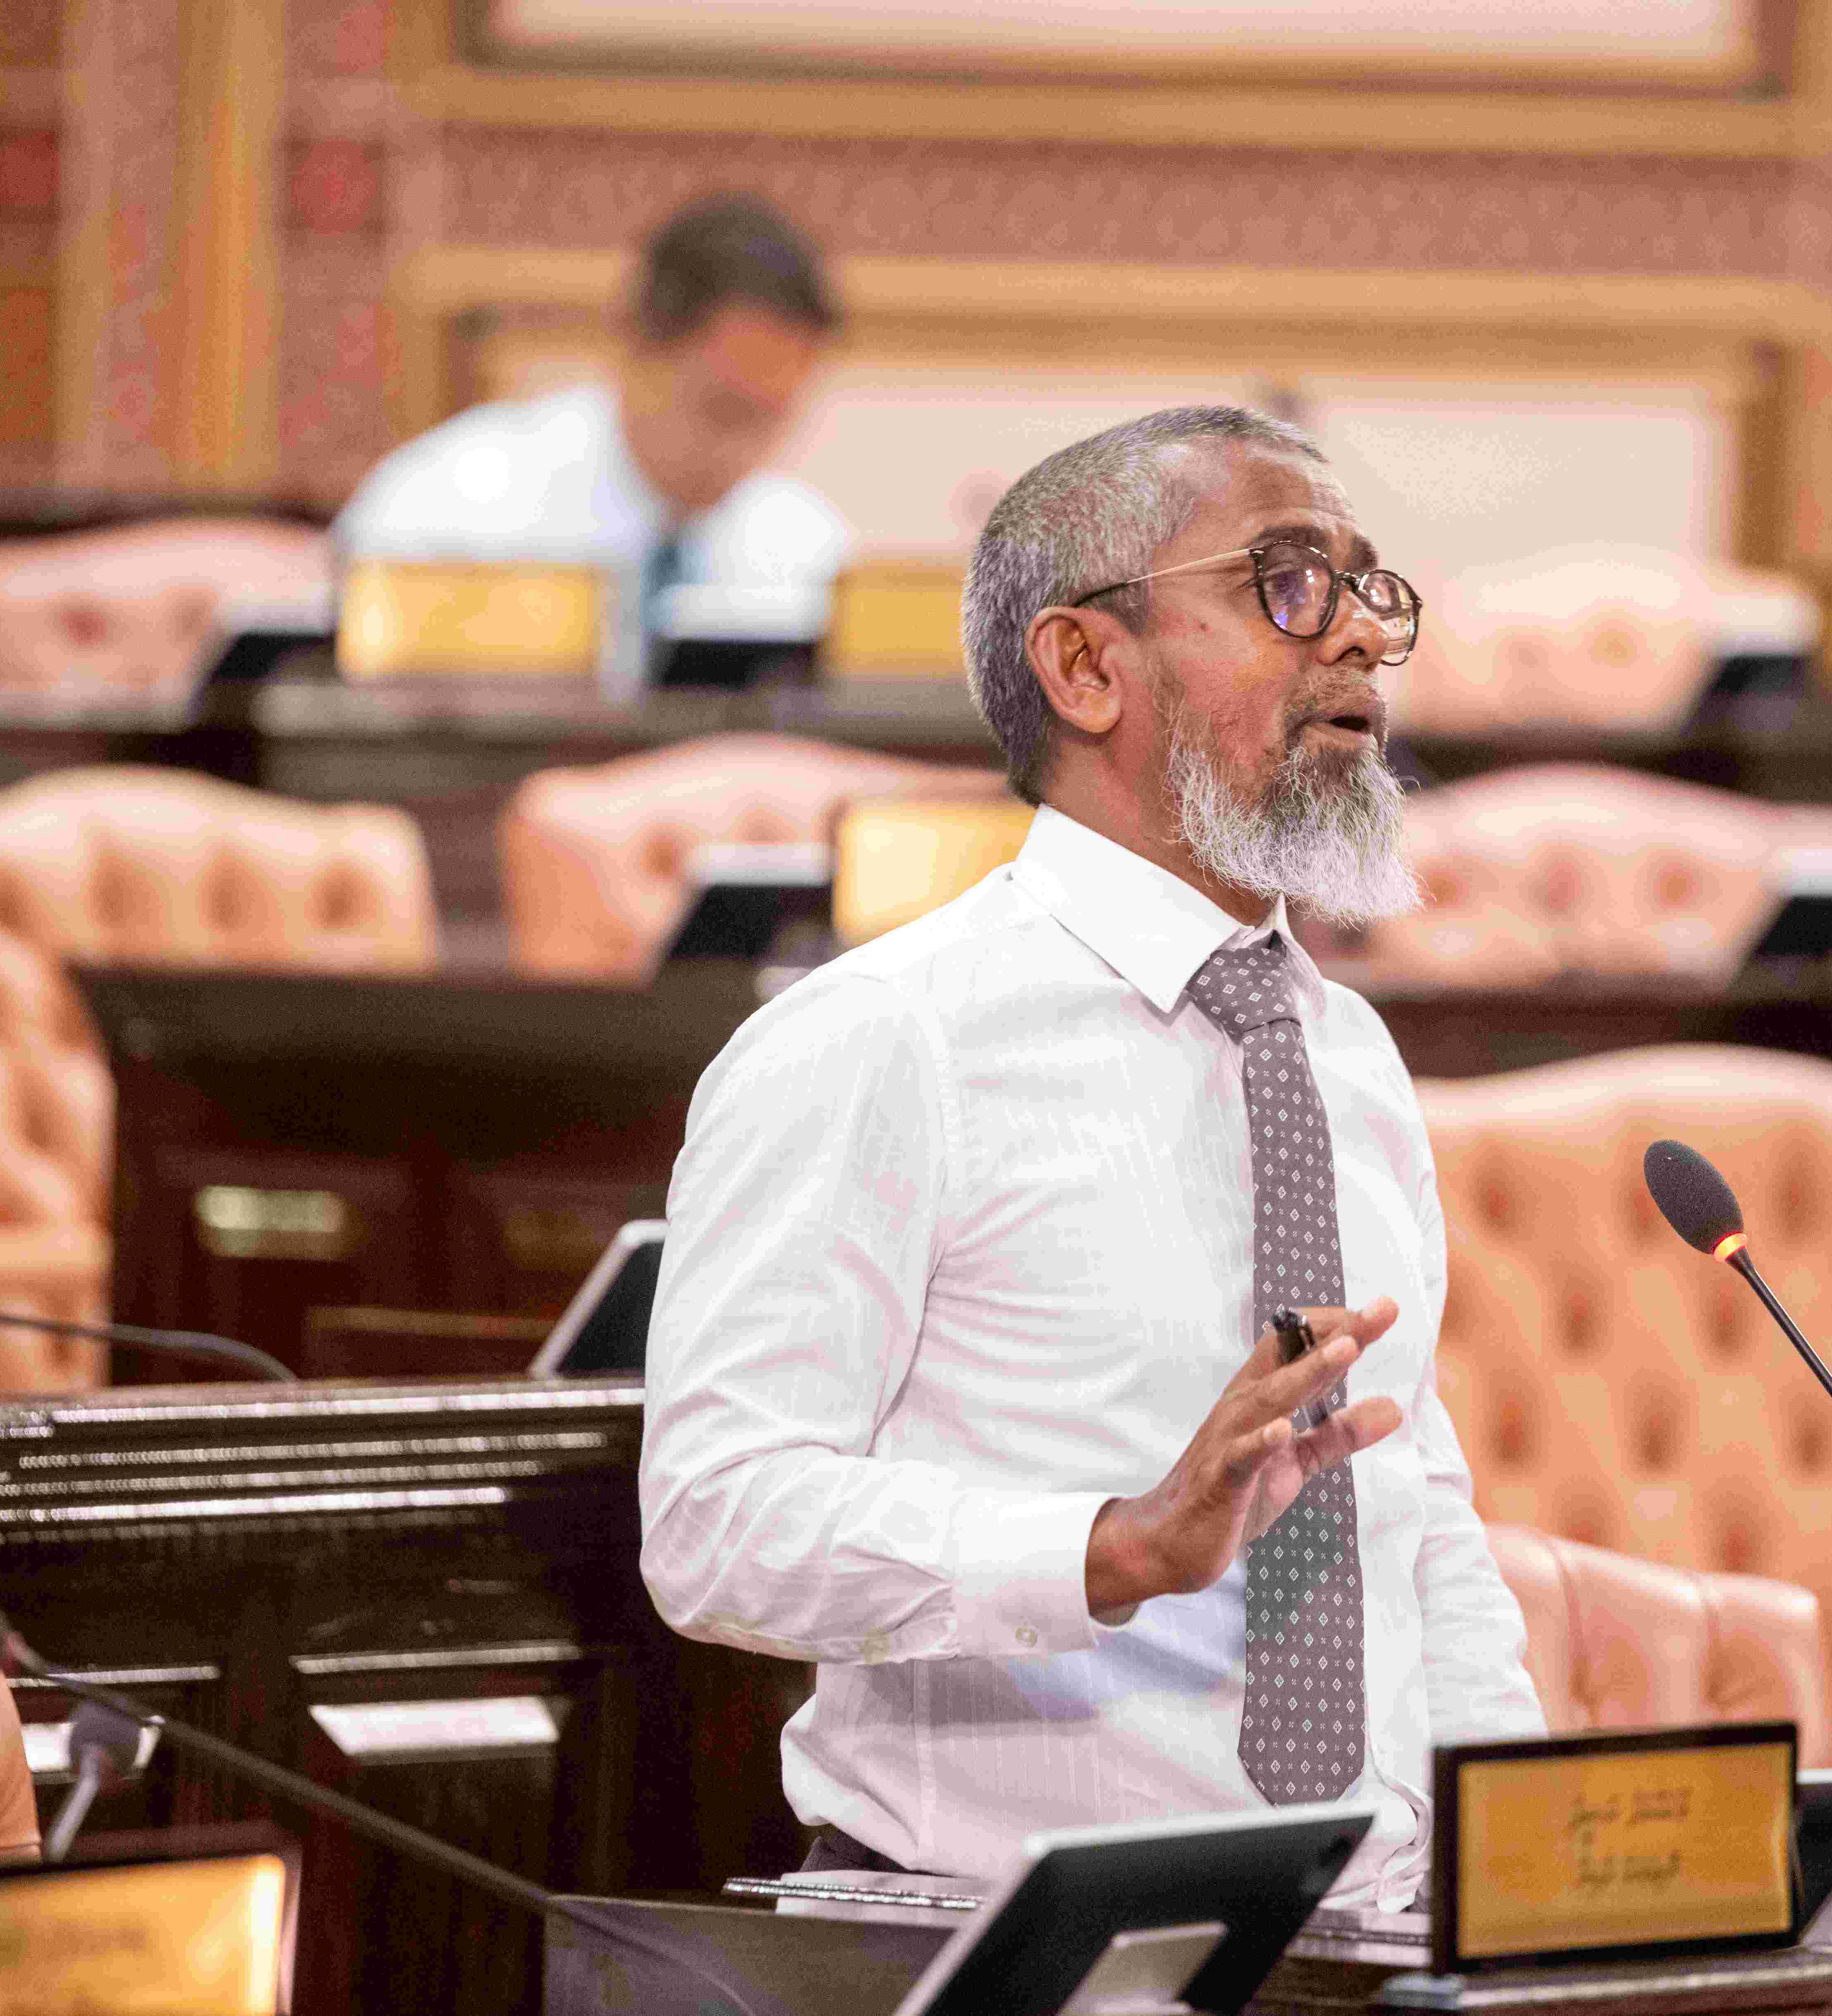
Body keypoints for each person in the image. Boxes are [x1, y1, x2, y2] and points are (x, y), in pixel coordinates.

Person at [638, 406, 1543, 1908]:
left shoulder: (1346, 1052)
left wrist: (1521, 1870)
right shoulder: (882, 1038)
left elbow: (1411, 1513)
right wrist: (1109, 1548)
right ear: (1083, 666)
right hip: (990, 1937)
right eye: (1288, 583)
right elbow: (718, 1521)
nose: (1363, 645)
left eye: (1369, 592)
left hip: (1361, 1935)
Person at [330, 193, 848, 697]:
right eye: (721, 411)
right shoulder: (446, 509)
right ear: (634, 341)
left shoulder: (807, 552)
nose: (740, 454)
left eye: (771, 421)